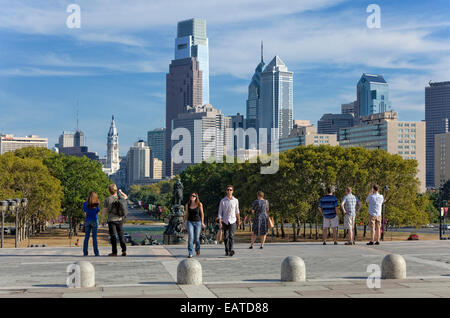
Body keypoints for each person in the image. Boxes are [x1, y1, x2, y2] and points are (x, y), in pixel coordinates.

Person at [101, 184, 128, 256]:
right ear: (116, 190)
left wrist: (102, 220)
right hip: (119, 219)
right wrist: (121, 192)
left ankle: (114, 252)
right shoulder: (120, 197)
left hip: (111, 220)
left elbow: (104, 211)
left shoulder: (107, 199)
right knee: (121, 235)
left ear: (109, 191)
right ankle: (124, 250)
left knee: (113, 236)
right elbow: (126, 197)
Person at [218, 185, 240, 256]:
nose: (229, 191)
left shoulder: (236, 200)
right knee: (226, 237)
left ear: (233, 191)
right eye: (228, 190)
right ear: (226, 191)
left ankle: (231, 250)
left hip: (233, 220)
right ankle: (227, 250)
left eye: (230, 190)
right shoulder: (223, 201)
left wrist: (239, 220)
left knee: (231, 235)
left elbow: (237, 211)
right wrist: (220, 222)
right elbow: (220, 212)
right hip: (225, 221)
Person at [183, 193, 206, 258]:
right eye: (191, 196)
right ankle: (190, 253)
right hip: (190, 222)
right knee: (191, 238)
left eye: (194, 196)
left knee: (197, 238)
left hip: (198, 222)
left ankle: (197, 249)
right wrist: (183, 222)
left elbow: (202, 214)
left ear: (196, 197)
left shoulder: (199, 204)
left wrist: (202, 222)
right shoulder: (187, 204)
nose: (192, 197)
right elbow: (186, 214)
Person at [82, 192, 101, 256]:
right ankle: (96, 252)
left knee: (86, 237)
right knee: (94, 238)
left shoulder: (85, 204)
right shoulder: (97, 204)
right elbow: (98, 213)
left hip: (87, 220)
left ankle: (85, 252)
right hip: (94, 220)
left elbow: (85, 212)